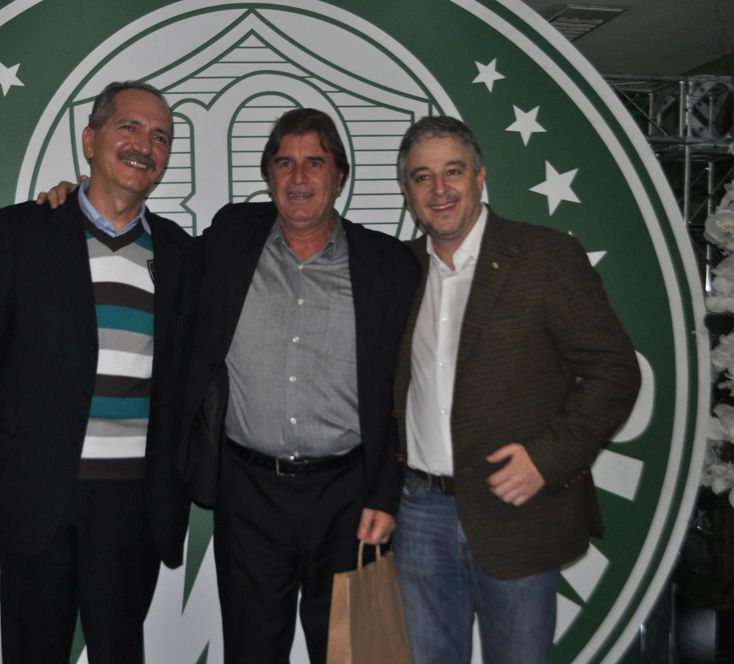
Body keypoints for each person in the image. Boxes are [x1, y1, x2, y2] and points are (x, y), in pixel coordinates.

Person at [0, 81, 192, 664]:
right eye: (130, 128)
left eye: (161, 136)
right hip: (37, 495)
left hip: (135, 507)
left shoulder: (183, 254)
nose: (146, 144)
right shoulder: (23, 231)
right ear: (90, 139)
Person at [391, 115, 641, 664]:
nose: (439, 190)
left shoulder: (546, 257)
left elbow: (615, 371)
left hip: (518, 512)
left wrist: (549, 460)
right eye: (421, 177)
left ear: (480, 177)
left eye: (452, 172)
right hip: (418, 515)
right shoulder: (399, 270)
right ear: (407, 192)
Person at [182, 108, 420, 663]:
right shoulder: (229, 239)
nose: (299, 178)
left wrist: (387, 492)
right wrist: (82, 202)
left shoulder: (388, 265)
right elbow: (160, 252)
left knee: (355, 654)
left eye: (315, 162)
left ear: (341, 176)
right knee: (251, 653)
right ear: (268, 176)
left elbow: (409, 389)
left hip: (352, 497)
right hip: (248, 494)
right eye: (284, 163)